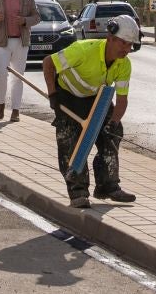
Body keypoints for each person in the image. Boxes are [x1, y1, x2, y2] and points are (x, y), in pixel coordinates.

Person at [41, 16, 139, 209]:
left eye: (130, 45)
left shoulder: (124, 64)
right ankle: (78, 192)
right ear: (110, 37)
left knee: (113, 134)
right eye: (123, 43)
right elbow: (48, 64)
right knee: (70, 143)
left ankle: (107, 185)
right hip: (68, 96)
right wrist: (53, 95)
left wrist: (113, 122)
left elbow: (121, 100)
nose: (126, 49)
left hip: (96, 99)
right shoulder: (83, 50)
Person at [0, 0, 40, 123]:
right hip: (1, 42)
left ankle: (16, 110)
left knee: (18, 77)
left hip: (21, 41)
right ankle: (1, 104)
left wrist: (25, 20)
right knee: (0, 74)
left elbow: (37, 17)